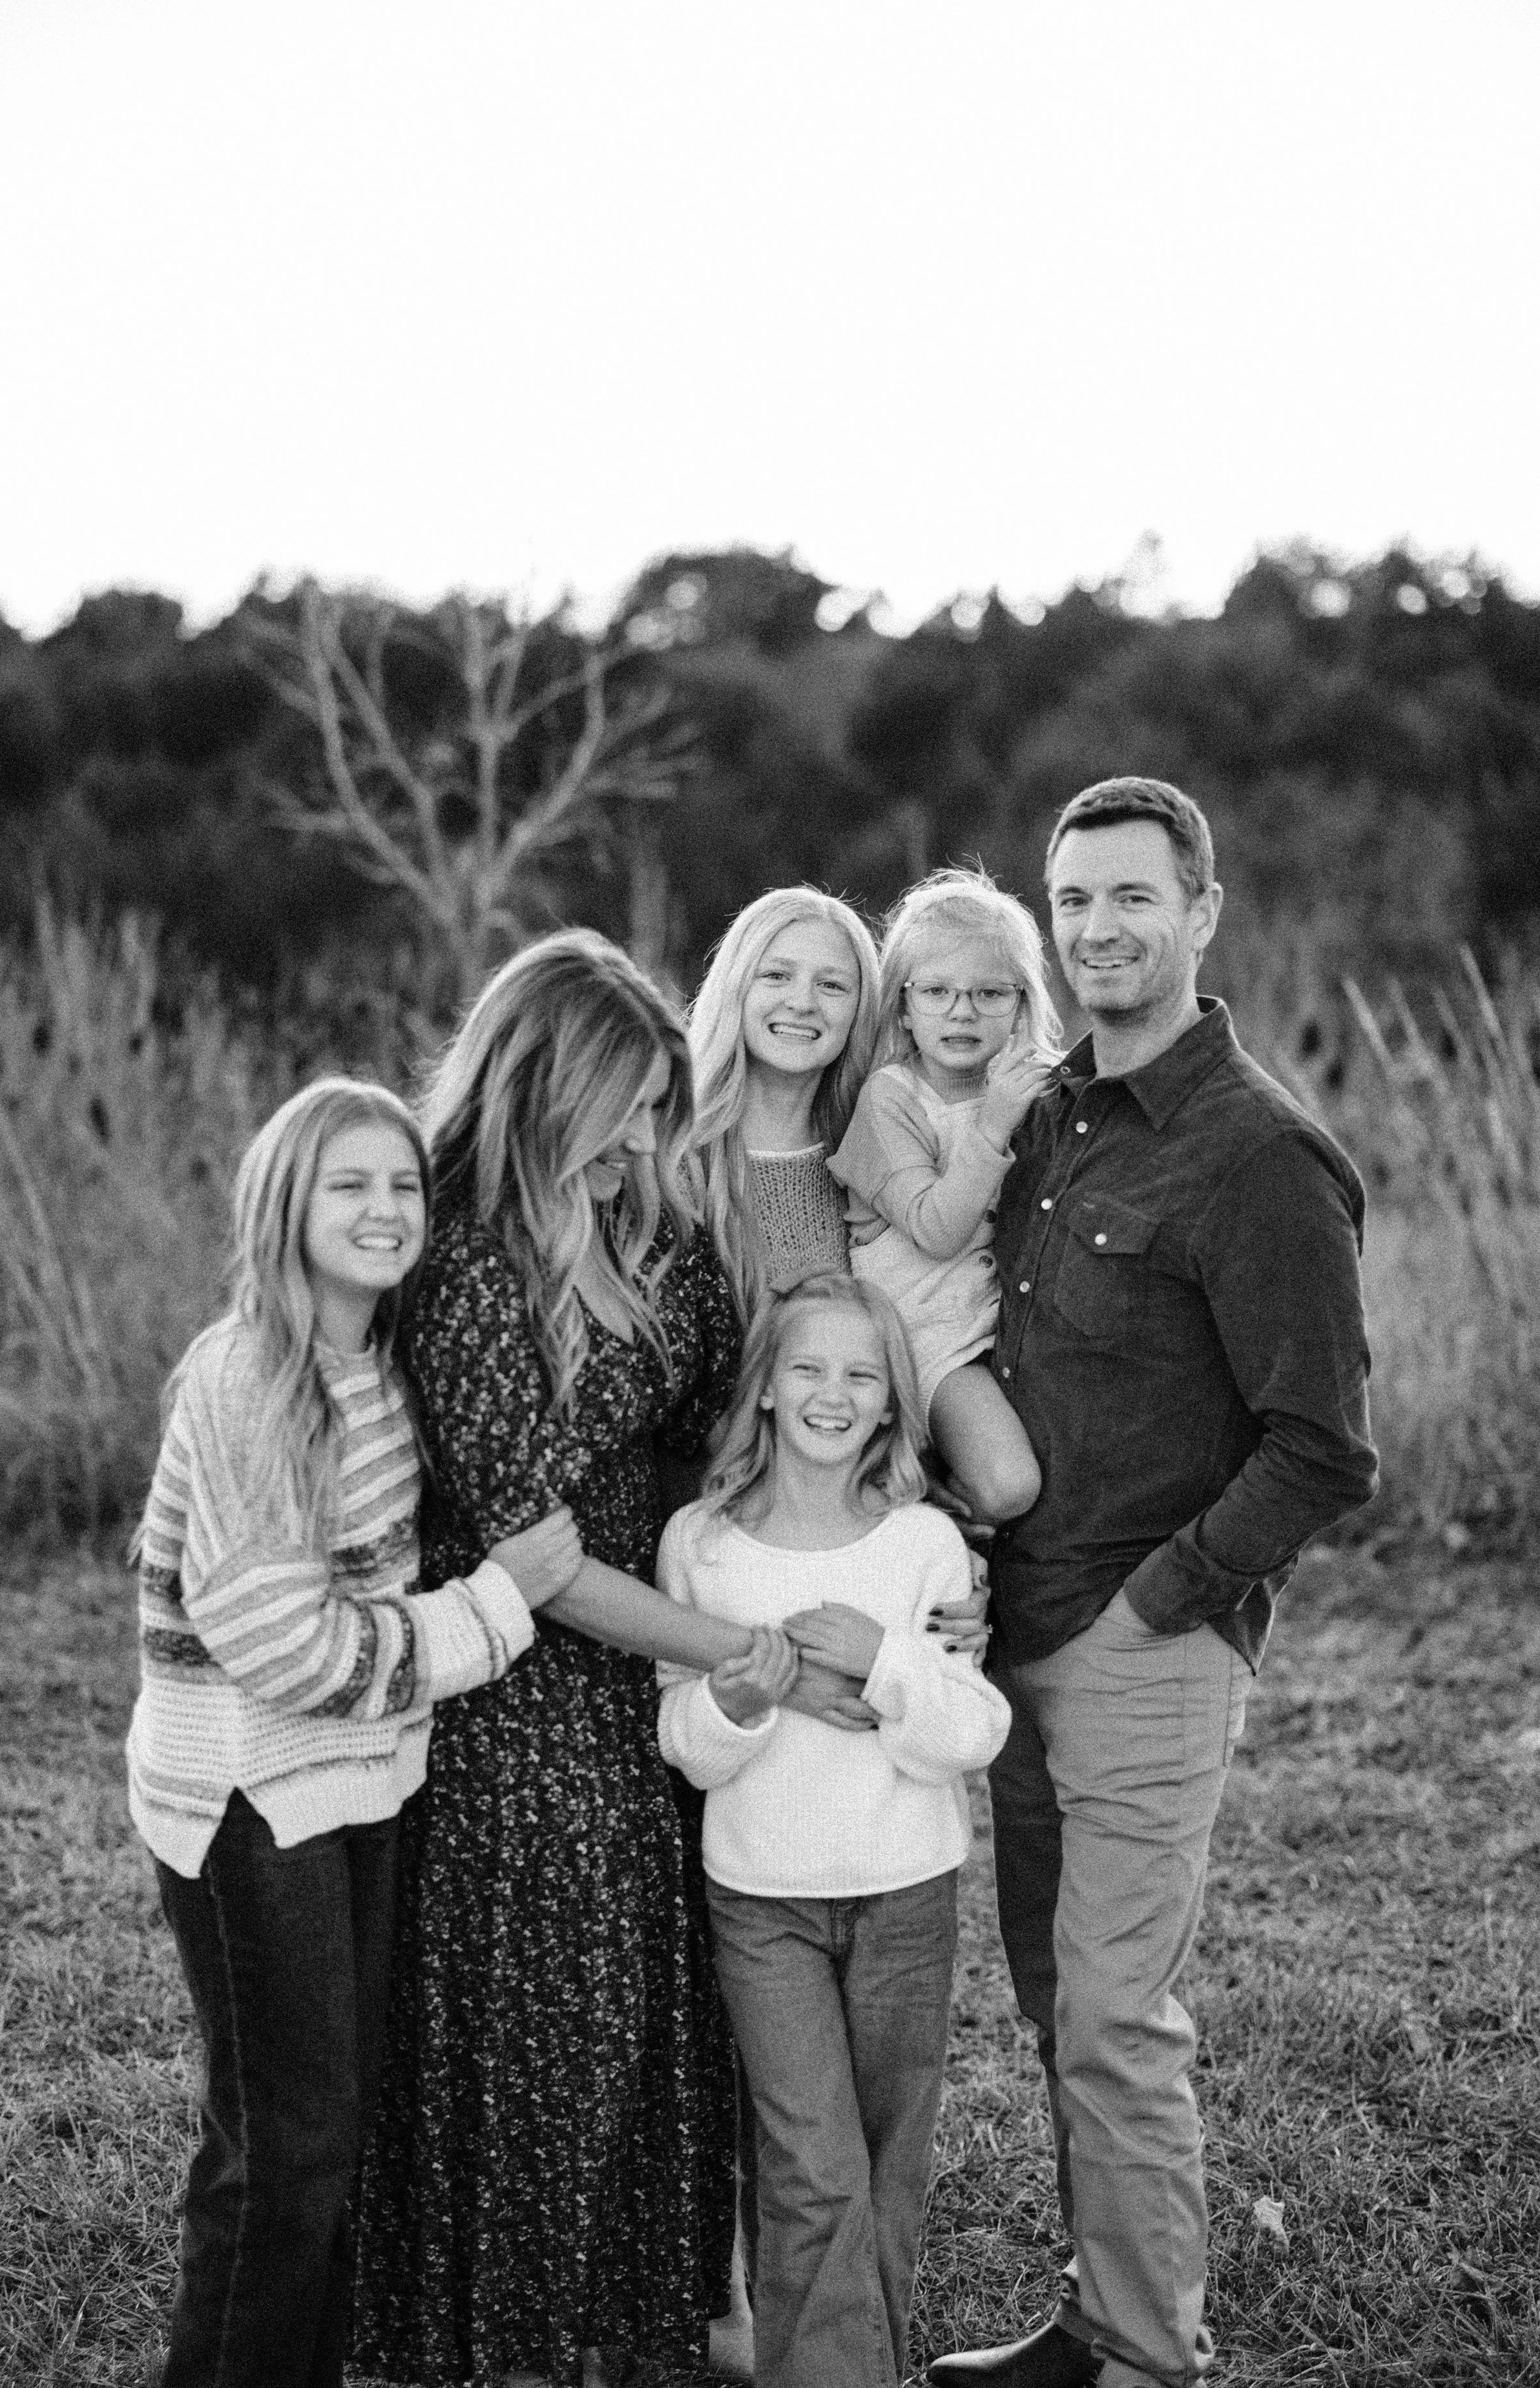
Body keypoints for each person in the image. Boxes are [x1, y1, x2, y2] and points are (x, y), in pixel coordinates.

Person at [927, 780, 1379, 2388]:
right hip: (1017, 1640)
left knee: (1117, 2016)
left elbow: (1324, 1444)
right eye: (1073, 900)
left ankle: (1150, 2359)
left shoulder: (1257, 1154)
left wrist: (1162, 1602)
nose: (1097, 928)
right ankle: (1098, 2313)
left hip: (1140, 1643)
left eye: (1130, 897)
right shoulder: (1048, 1115)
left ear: (1199, 912)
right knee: (1063, 2007)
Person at [354, 931, 802, 2388]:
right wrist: (738, 1644)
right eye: (622, 1110)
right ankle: (515, 2329)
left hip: (655, 1646)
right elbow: (533, 1562)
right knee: (554, 1998)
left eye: (657, 1111)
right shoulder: (460, 1258)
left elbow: (722, 1411)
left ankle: (650, 2311)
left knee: (666, 1992)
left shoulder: (642, 1216)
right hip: (518, 1681)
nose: (640, 1142)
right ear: (549, 1086)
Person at [127, 1076, 584, 2388]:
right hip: (251, 1802)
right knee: (282, 2154)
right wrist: (501, 1606)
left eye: (401, 1185)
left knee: (333, 2137)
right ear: (287, 1203)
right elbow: (290, 1646)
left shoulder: (381, 1367)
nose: (385, 1209)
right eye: (350, 1184)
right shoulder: (247, 1377)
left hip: (360, 1786)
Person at [656, 1272, 1014, 2388]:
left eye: (862, 1374)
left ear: (892, 1403)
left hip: (907, 1894)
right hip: (761, 1902)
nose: (833, 1392)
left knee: (884, 2169)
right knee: (813, 2168)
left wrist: (885, 1658)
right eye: (807, 1367)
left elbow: (971, 1731)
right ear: (762, 1388)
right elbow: (685, 1740)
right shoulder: (703, 1546)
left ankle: (848, 2367)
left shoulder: (921, 1547)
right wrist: (738, 1703)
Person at [828, 867, 1056, 1526]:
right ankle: (919, 1502)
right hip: (924, 1338)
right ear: (902, 1004)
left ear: (1022, 1003)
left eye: (989, 993)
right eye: (937, 992)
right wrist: (993, 1126)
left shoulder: (1022, 1090)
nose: (962, 1011)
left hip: (1009, 1326)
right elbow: (935, 1228)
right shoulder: (891, 1097)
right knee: (1009, 1486)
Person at [690, 884, 880, 1317]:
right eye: (776, 975)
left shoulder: (873, 1163)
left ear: (861, 1010)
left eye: (832, 985)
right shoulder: (674, 1158)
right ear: (735, 986)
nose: (801, 1003)